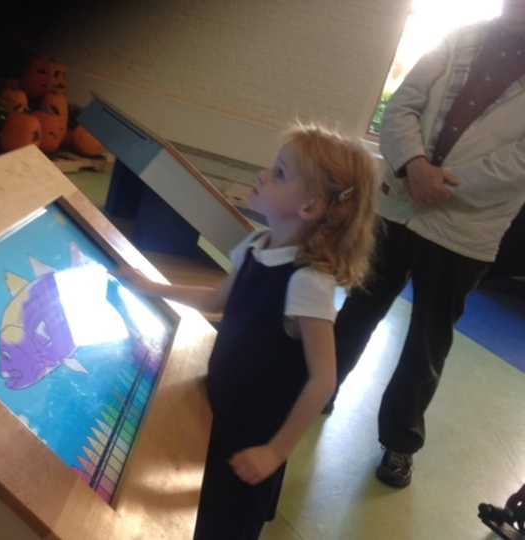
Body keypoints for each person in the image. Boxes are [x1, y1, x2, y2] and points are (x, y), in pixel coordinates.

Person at [118, 124, 377, 539]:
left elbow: (323, 378)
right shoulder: (258, 243)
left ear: (309, 206)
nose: (262, 174)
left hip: (254, 433)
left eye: (279, 173)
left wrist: (275, 451)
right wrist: (153, 285)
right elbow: (217, 300)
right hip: (220, 408)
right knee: (200, 513)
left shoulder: (308, 281)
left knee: (229, 524)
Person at [332, 0, 525, 489]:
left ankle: (399, 443)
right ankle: (315, 393)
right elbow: (404, 104)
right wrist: (414, 165)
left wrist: (444, 183)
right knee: (357, 309)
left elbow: (519, 163)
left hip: (464, 232)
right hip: (399, 205)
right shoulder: (463, 36)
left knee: (426, 344)